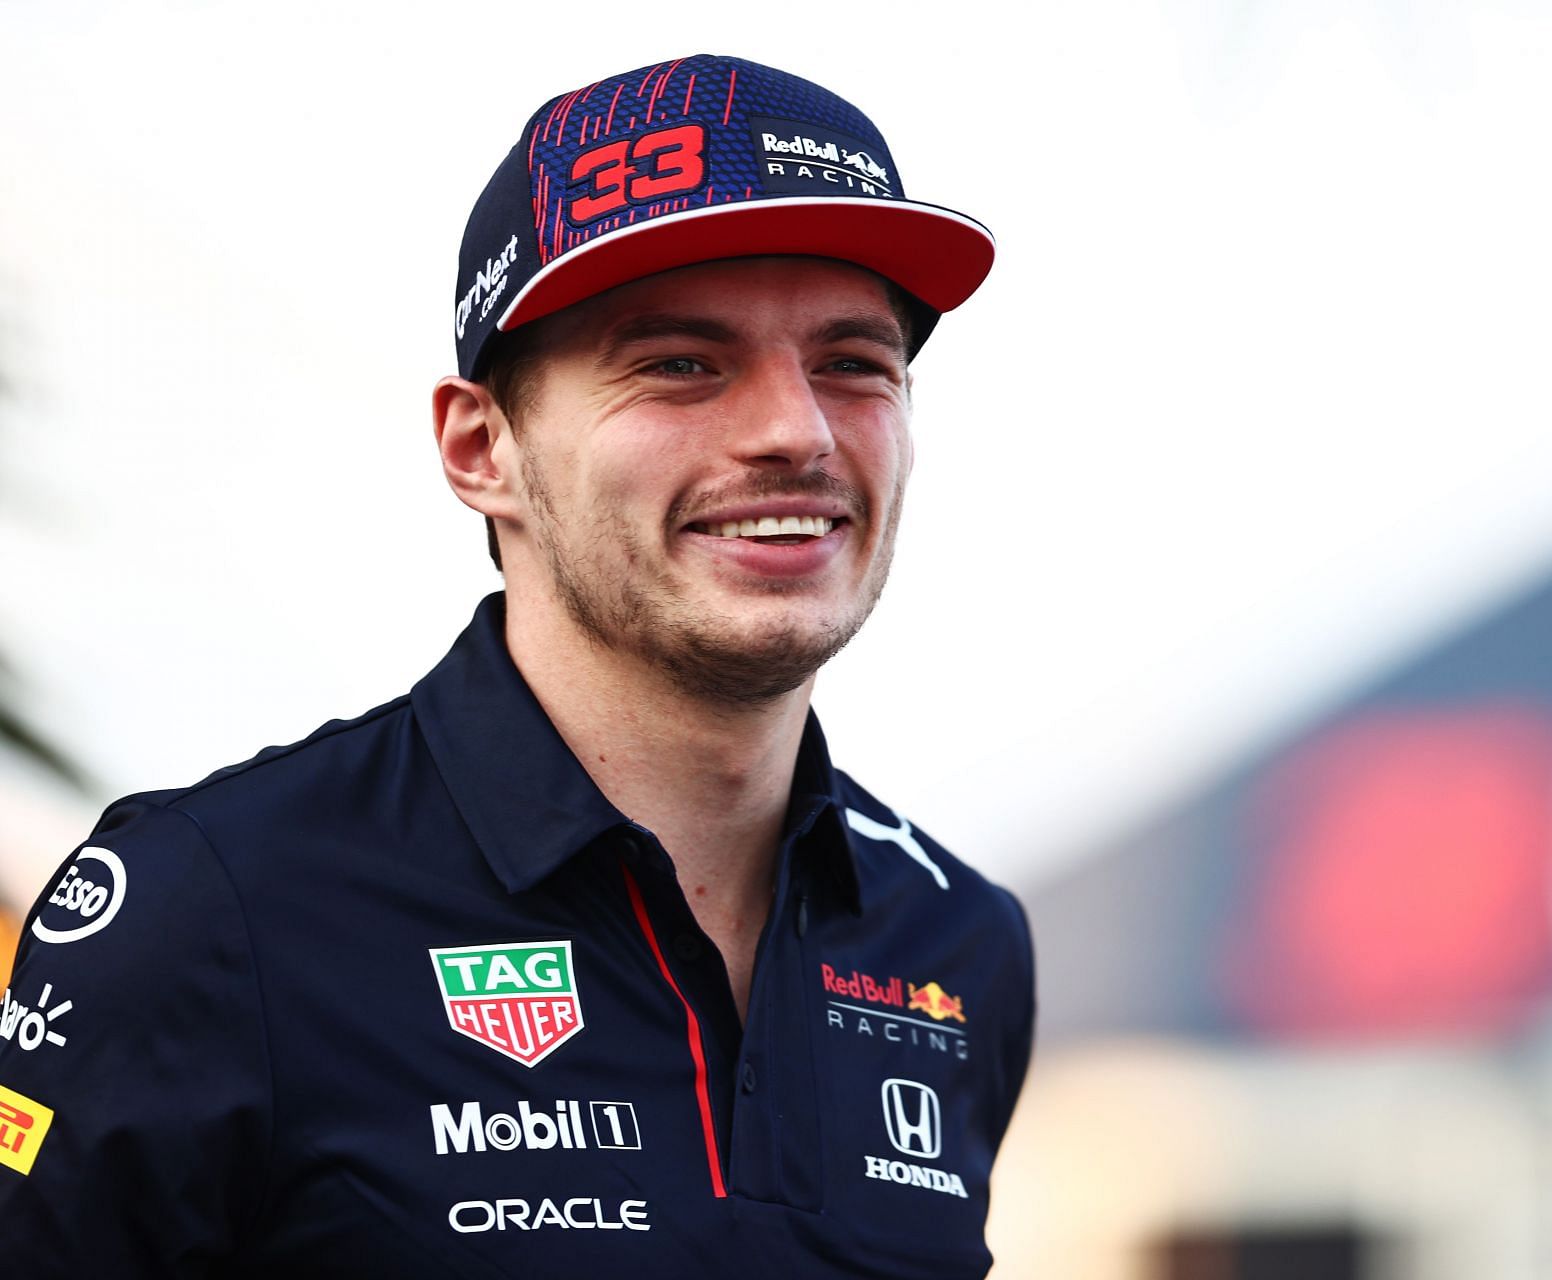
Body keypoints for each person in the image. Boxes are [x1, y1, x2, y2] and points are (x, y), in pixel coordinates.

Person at [0, 54, 1034, 1277]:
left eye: (854, 362)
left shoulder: (959, 945)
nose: (794, 430)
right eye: (680, 363)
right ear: (481, 445)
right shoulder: (206, 908)